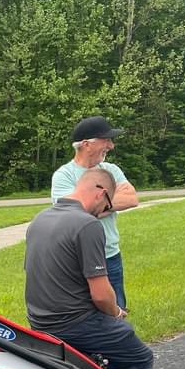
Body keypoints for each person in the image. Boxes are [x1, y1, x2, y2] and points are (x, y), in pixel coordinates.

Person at [25, 168, 154, 369]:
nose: (105, 210)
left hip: (39, 322)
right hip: (74, 323)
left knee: (101, 363)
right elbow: (101, 295)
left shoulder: (40, 219)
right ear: (101, 193)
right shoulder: (87, 225)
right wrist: (117, 312)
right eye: (107, 205)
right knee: (140, 358)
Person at [51, 116, 138, 309]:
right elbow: (70, 215)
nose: (111, 145)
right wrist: (107, 202)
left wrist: (91, 206)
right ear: (86, 145)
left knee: (117, 314)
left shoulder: (110, 169)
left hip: (110, 256)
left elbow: (131, 199)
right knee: (82, 314)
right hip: (78, 260)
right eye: (106, 140)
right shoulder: (63, 176)